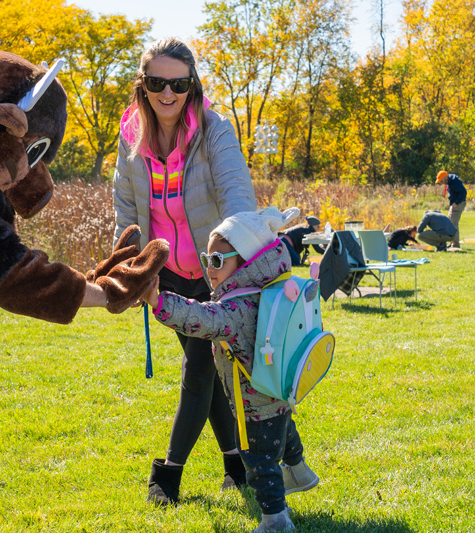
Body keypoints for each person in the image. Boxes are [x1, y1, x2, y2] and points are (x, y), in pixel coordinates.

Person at [112, 37, 257, 504]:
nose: (168, 93)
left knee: (198, 367)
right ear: (144, 86)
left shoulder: (214, 130)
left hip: (216, 275)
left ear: (191, 85)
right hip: (167, 276)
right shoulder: (130, 136)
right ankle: (238, 465)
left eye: (178, 83)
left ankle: (167, 476)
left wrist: (233, 246)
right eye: (157, 83)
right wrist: (131, 266)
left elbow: (237, 190)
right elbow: (126, 206)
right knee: (210, 370)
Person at [142, 207, 320, 533]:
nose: (209, 269)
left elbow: (203, 318)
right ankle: (299, 470)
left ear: (246, 261)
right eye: (207, 259)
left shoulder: (236, 307)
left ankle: (275, 520)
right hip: (279, 388)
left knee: (259, 463)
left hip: (253, 405)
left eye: (218, 261)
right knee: (284, 430)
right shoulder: (270, 288)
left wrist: (159, 302)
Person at [436, 170, 467, 248]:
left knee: (453, 224)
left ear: (445, 177)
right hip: (454, 204)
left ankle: (456, 245)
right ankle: (452, 242)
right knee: (449, 223)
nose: (441, 183)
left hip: (458, 204)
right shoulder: (450, 181)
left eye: (441, 181)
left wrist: (456, 202)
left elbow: (463, 192)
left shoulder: (454, 181)